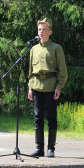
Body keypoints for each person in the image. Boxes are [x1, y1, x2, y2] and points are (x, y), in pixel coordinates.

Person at [27, 17, 68, 158]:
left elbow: (62, 71)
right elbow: (31, 72)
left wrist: (59, 87)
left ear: (50, 32)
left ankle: (51, 148)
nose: (41, 32)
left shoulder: (56, 48)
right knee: (38, 118)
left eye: (44, 29)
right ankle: (39, 148)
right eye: (39, 29)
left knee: (51, 118)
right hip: (37, 86)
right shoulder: (33, 49)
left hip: (51, 86)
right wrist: (30, 87)